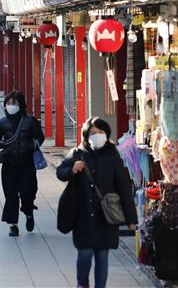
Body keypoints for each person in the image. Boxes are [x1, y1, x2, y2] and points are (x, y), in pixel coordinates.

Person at [57, 117, 137, 288]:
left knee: (102, 256)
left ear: (107, 134)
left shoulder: (113, 155)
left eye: (101, 132)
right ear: (86, 136)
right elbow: (60, 172)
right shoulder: (77, 153)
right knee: (84, 254)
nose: (97, 136)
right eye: (93, 133)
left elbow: (123, 187)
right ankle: (82, 284)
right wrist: (72, 169)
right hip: (82, 215)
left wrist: (131, 219)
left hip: (106, 217)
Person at [0, 91, 44, 236]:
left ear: (21, 105)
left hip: (27, 164)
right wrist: (2, 144)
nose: (11, 106)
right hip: (9, 164)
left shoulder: (30, 121)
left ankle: (28, 212)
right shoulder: (1, 122)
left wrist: (32, 146)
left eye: (14, 103)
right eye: (8, 103)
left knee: (28, 193)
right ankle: (12, 224)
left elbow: (40, 137)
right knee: (11, 195)